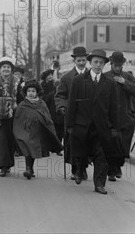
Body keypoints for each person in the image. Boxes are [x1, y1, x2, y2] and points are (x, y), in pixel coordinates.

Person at [67, 49, 119, 195]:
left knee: (101, 155)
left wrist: (114, 127)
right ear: (90, 63)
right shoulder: (79, 81)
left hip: (101, 127)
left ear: (104, 65)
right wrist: (70, 125)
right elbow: (72, 104)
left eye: (101, 63)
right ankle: (79, 170)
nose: (98, 65)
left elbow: (114, 107)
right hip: (82, 125)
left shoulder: (109, 83)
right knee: (81, 152)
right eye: (95, 62)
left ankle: (100, 184)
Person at [13, 79, 62, 179]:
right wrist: (19, 131)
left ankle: (30, 168)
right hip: (25, 131)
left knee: (33, 150)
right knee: (28, 149)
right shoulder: (22, 105)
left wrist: (50, 129)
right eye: (29, 91)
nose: (31, 93)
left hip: (38, 131)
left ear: (37, 92)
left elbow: (47, 118)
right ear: (26, 92)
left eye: (33, 91)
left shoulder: (41, 104)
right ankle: (28, 169)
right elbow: (18, 120)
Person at [104, 51, 135, 180]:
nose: (118, 68)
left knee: (124, 145)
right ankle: (112, 170)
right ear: (111, 64)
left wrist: (123, 82)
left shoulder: (128, 77)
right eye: (115, 65)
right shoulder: (105, 77)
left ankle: (119, 164)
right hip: (110, 117)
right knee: (112, 144)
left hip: (125, 117)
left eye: (120, 66)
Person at [54, 46, 89, 181]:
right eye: (79, 60)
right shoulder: (67, 78)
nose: (81, 63)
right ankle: (75, 169)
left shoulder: (91, 76)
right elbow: (60, 95)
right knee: (72, 142)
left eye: (83, 60)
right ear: (74, 61)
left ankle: (83, 167)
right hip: (72, 116)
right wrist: (62, 107)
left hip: (87, 115)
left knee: (86, 141)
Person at [0, 56, 20, 177]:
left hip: (13, 114)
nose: (6, 69)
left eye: (8, 67)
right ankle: (2, 166)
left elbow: (21, 96)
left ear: (11, 69)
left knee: (10, 140)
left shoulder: (17, 81)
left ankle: (8, 164)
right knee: (0, 140)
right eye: (4, 67)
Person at [41, 69, 63, 146]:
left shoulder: (53, 84)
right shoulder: (42, 85)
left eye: (51, 75)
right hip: (45, 105)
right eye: (49, 75)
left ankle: (57, 144)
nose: (50, 76)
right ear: (45, 76)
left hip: (52, 106)